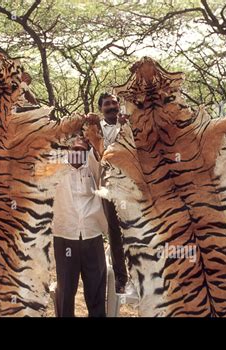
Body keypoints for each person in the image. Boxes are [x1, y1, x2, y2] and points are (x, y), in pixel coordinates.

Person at [52, 136, 108, 317]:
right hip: (65, 236)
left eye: (83, 150)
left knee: (96, 290)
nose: (78, 153)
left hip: (92, 236)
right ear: (67, 149)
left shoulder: (93, 168)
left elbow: (102, 152)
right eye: (74, 149)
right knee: (66, 290)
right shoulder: (55, 168)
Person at [88, 92, 130, 293]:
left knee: (135, 229)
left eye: (114, 103)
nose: (112, 106)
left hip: (131, 184)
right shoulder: (96, 129)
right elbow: (99, 153)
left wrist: (126, 126)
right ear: (101, 108)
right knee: (114, 231)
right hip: (108, 185)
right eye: (107, 104)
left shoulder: (130, 123)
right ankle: (121, 278)